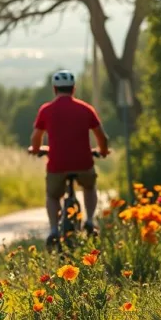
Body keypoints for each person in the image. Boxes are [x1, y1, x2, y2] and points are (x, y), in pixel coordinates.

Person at [29, 69, 109, 246]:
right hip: (83, 163)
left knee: (52, 196)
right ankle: (89, 221)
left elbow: (35, 137)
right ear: (73, 88)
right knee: (89, 186)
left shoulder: (46, 110)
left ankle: (53, 230)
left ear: (54, 89)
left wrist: (35, 149)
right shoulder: (86, 109)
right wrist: (102, 151)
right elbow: (102, 137)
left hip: (57, 164)